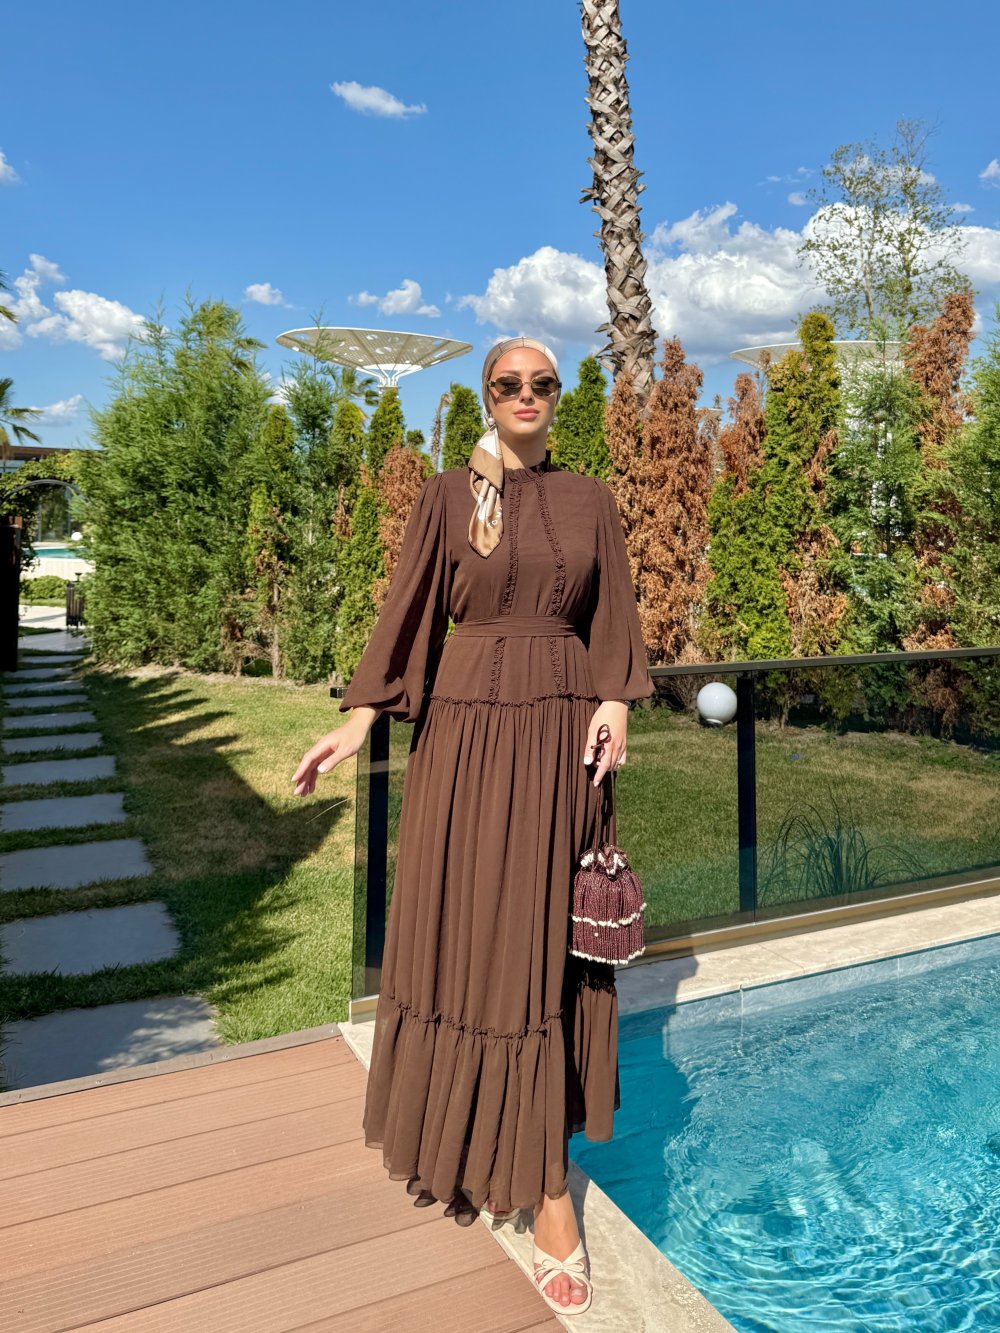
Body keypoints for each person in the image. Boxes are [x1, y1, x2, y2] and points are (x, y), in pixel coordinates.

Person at [292, 336, 654, 1315]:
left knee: (540, 950)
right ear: (486, 396)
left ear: (557, 396)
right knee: (471, 941)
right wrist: (357, 722)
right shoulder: (449, 496)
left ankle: (547, 1187)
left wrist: (615, 700)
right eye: (508, 383)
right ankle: (463, 1134)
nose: (525, 394)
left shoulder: (591, 500)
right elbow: (408, 613)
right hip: (464, 740)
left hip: (564, 740)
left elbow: (612, 617)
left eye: (541, 383)